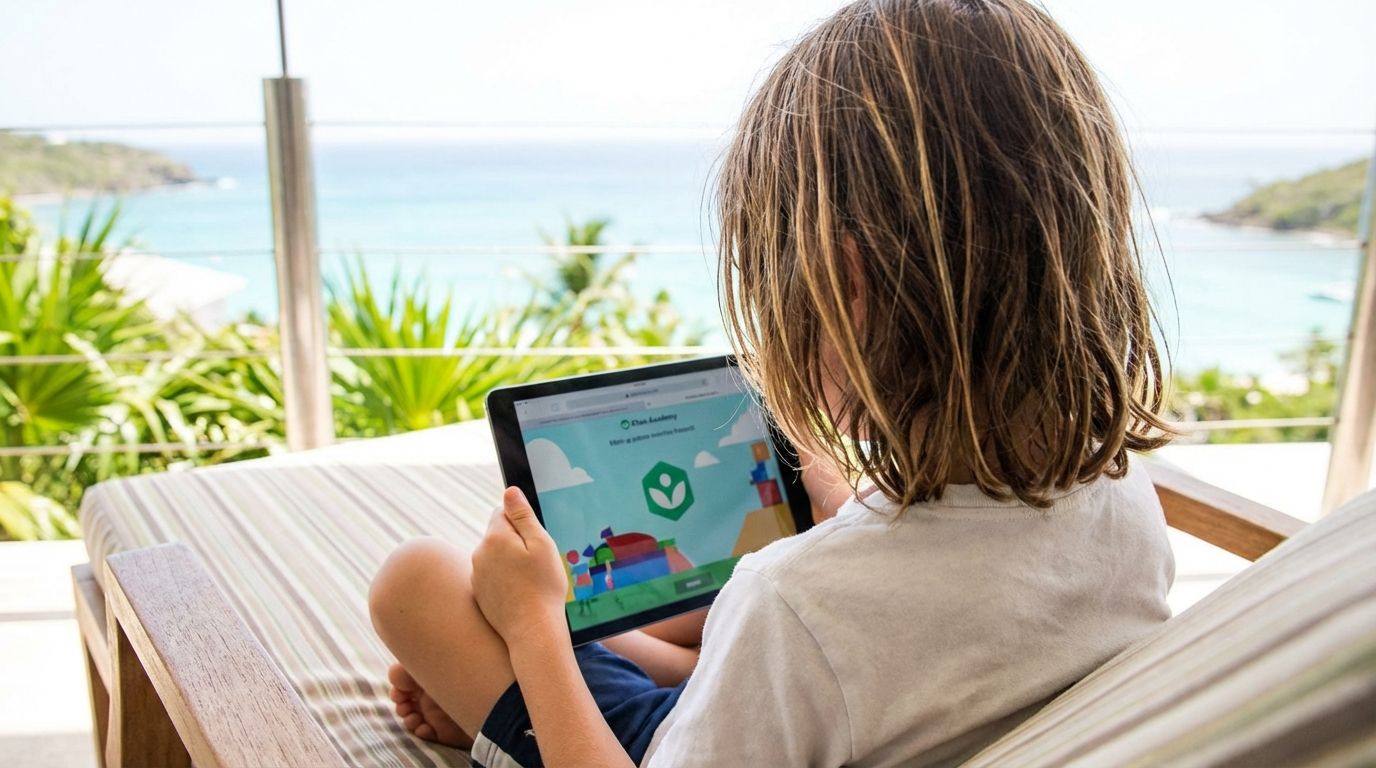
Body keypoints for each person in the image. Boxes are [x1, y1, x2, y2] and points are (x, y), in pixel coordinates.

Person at [369, 0, 1177, 764]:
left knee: (419, 579)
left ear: (844, 285)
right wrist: (842, 506)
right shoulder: (1125, 498)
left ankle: (535, 683)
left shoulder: (794, 601)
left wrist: (536, 631)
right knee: (668, 588)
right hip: (832, 707)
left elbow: (814, 627)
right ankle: (638, 661)